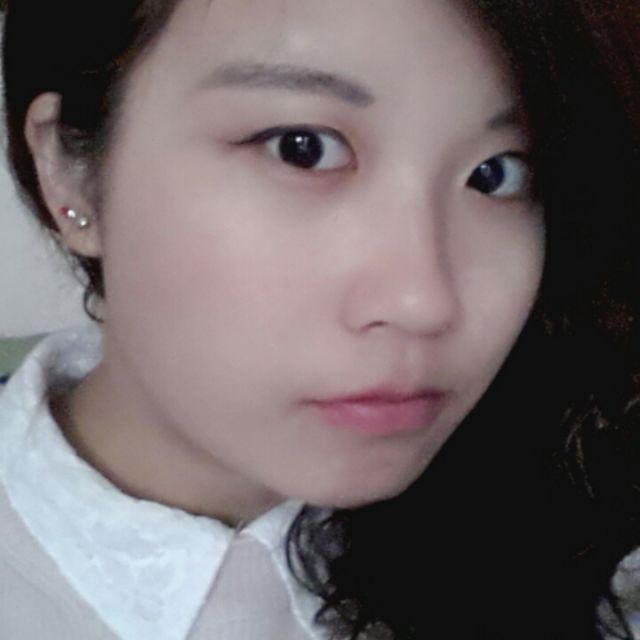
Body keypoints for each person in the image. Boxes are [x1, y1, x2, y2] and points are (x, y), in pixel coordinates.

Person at [0, 0, 638, 638]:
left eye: (497, 174)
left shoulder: (589, 525)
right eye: (301, 149)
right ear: (70, 171)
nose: (423, 303)